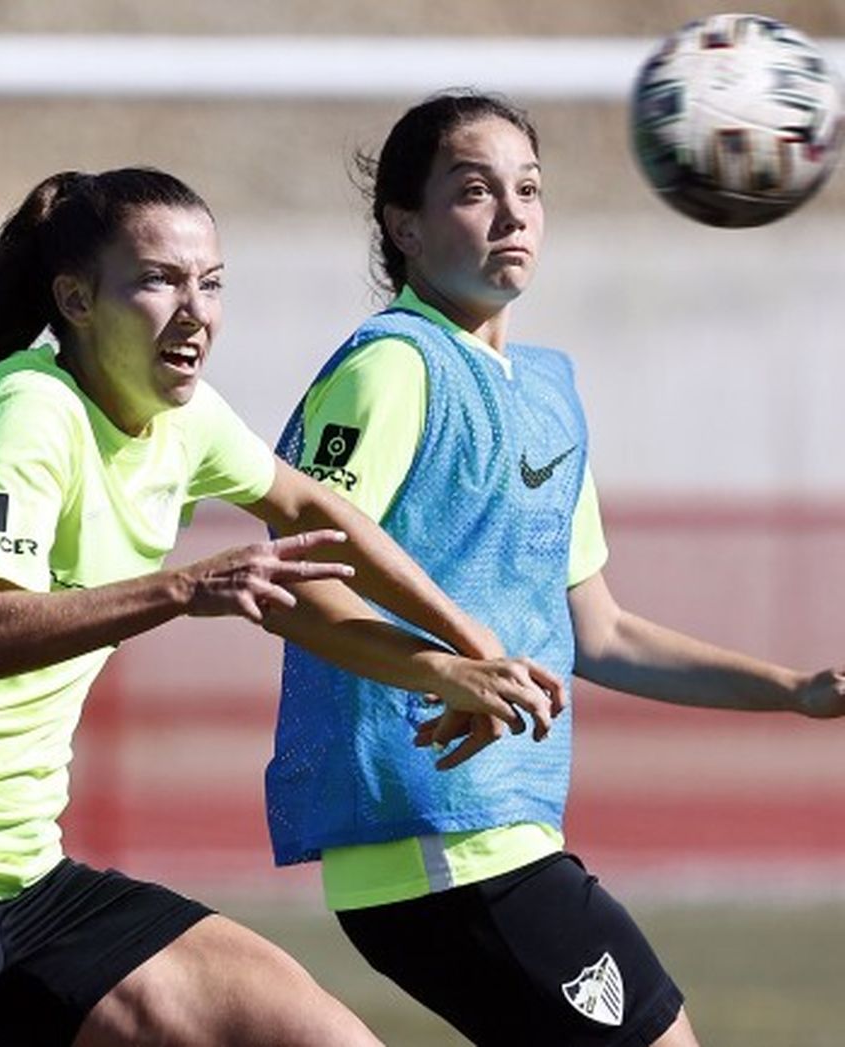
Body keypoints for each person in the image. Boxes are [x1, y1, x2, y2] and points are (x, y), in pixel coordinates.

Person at [0, 167, 563, 1047]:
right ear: (77, 299)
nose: (195, 311)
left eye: (210, 284)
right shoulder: (26, 414)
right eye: (158, 280)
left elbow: (317, 513)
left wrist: (470, 646)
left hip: (23, 875)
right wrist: (179, 588)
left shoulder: (187, 421)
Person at [264, 91, 845, 1047]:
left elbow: (599, 635)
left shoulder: (546, 390)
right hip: (437, 835)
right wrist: (443, 670)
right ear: (404, 226)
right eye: (475, 191)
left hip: (505, 833)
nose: (512, 213)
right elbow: (293, 583)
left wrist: (792, 690)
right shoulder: (393, 368)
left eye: (529, 189)